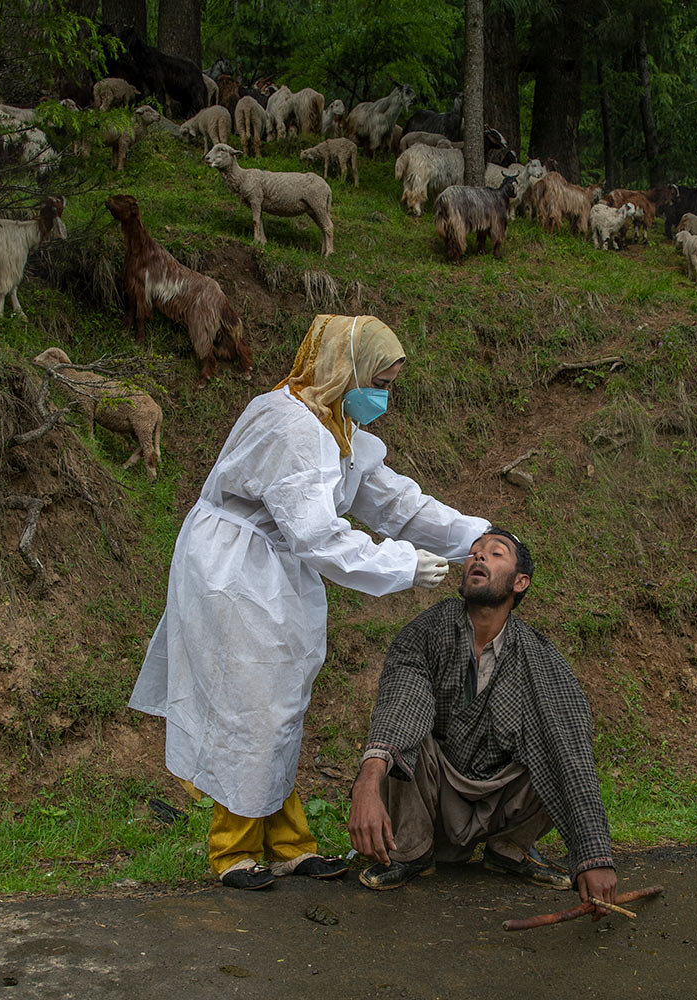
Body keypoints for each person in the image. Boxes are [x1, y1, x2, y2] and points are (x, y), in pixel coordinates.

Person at [129, 314, 490, 890]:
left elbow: (400, 505)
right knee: (248, 704)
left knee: (280, 704)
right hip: (236, 567)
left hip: (276, 567)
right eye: (381, 381)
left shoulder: (338, 428)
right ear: (347, 370)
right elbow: (317, 535)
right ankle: (233, 850)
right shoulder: (291, 426)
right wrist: (401, 566)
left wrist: (476, 535)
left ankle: (288, 844)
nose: (384, 396)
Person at [347, 528, 619, 909]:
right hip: (433, 795)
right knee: (404, 743)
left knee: (556, 744)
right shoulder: (427, 631)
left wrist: (595, 857)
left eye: (495, 554)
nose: (478, 557)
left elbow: (571, 753)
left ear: (520, 582)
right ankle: (412, 852)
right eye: (475, 552)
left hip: (500, 798)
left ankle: (508, 850)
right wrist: (367, 782)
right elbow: (401, 704)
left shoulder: (540, 657)